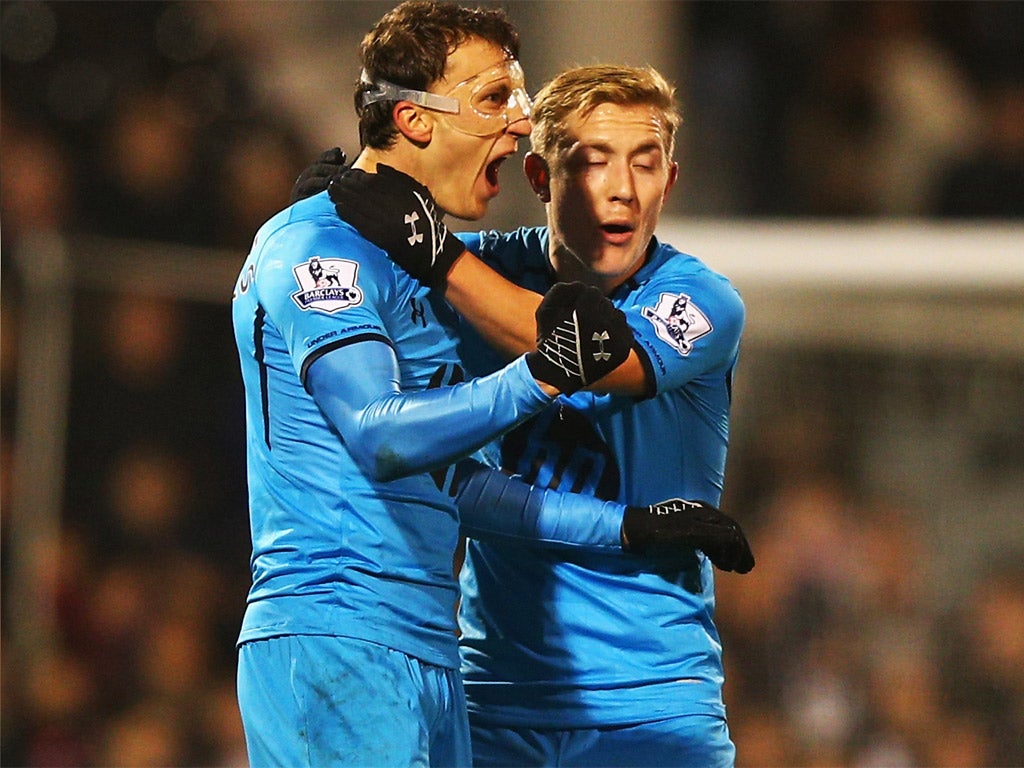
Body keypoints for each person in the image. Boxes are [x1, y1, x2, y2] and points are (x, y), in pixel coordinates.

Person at [230, 4, 639, 766]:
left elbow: (461, 487)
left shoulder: (419, 267)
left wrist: (627, 528)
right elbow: (381, 434)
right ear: (416, 119)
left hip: (420, 645)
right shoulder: (317, 247)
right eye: (493, 98)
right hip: (336, 634)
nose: (520, 121)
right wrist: (542, 373)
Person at [321, 63, 753, 767]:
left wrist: (436, 258)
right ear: (538, 177)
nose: (622, 188)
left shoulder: (701, 300)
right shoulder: (475, 275)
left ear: (668, 182)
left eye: (646, 165)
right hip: (492, 701)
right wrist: (322, 219)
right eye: (591, 162)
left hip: (648, 704)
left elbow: (591, 354)